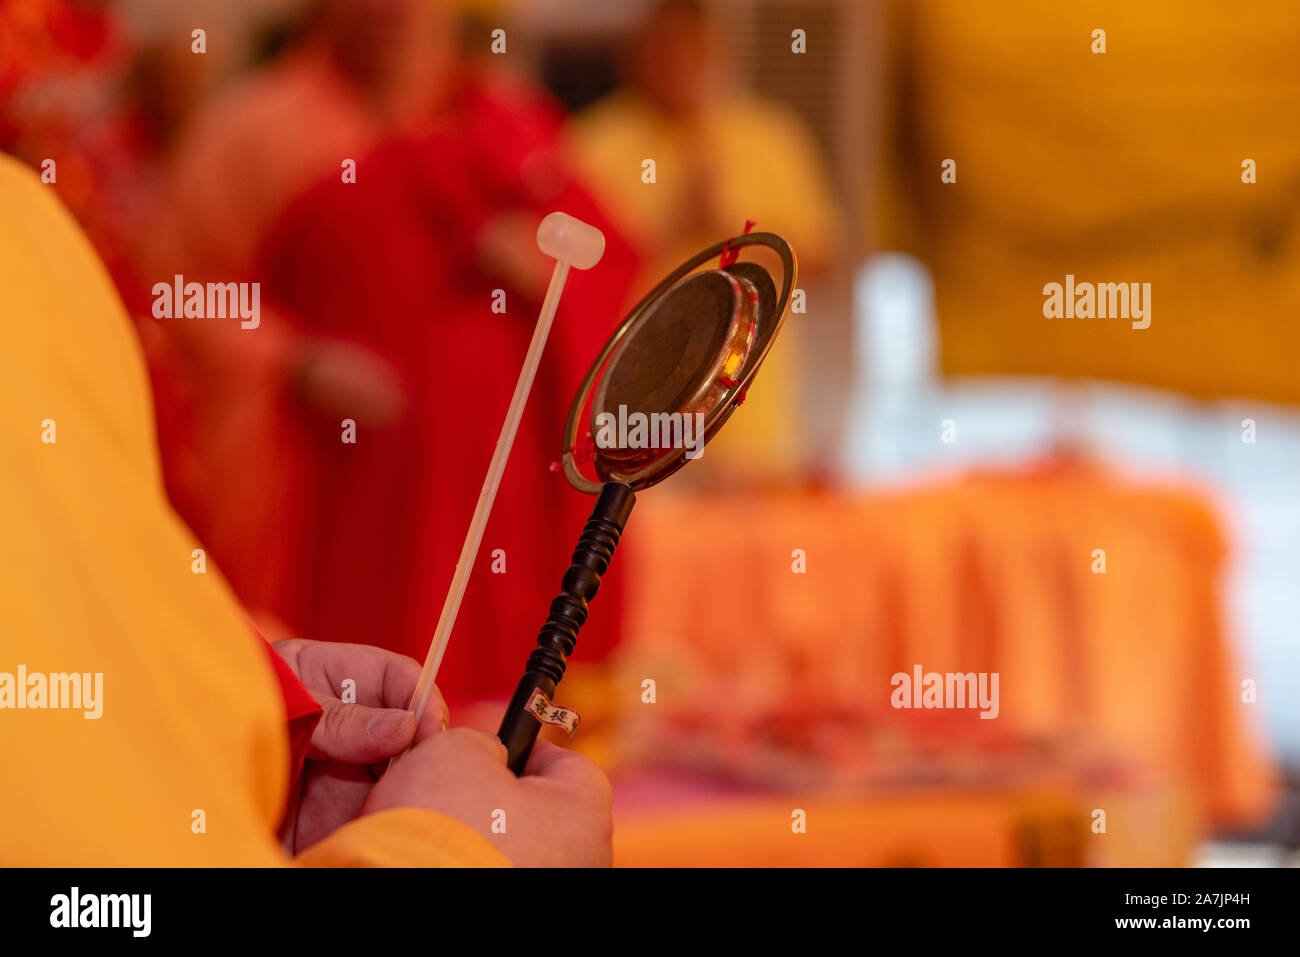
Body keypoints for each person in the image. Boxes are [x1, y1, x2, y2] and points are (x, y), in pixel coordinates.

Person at [0, 152, 611, 867]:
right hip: (327, 487)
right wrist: (454, 850)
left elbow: (69, 609)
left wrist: (237, 702)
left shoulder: (26, 229)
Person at [565, 0, 841, 480]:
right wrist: (674, 224)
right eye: (663, 49)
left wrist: (728, 228)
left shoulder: (769, 137)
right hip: (634, 421)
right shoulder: (592, 143)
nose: (676, 63)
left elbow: (823, 260)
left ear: (718, 53)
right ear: (635, 57)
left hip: (751, 424)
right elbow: (569, 280)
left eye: (691, 49)